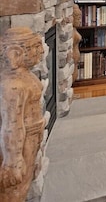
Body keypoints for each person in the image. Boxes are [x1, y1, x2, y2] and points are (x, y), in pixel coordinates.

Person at [0, 28, 45, 201]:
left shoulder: (25, 77)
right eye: (35, 46)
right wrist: (13, 159)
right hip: (21, 140)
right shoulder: (12, 85)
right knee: (15, 189)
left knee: (23, 184)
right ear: (15, 54)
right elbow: (11, 124)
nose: (41, 51)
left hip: (32, 136)